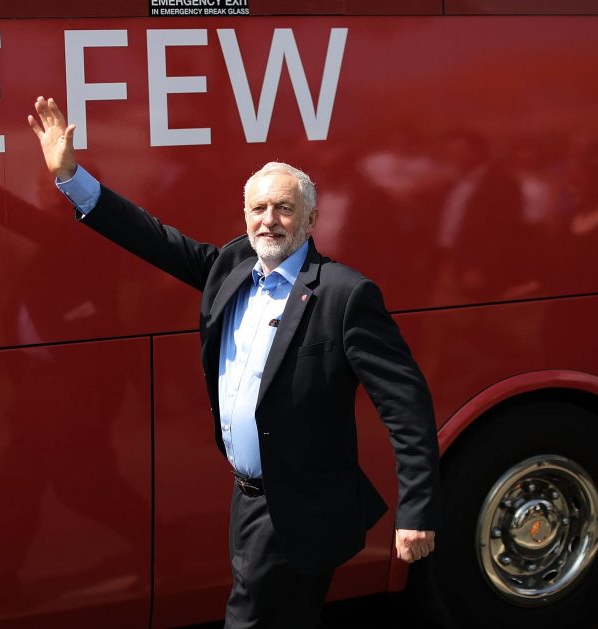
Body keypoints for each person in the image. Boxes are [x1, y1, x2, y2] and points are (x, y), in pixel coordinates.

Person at [28, 96, 440, 628]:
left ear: (312, 219)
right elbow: (152, 238)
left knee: (249, 620)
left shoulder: (344, 294)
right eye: (259, 209)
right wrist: (72, 178)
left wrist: (417, 512)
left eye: (285, 209)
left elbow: (406, 406)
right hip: (248, 502)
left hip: (299, 506)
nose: (270, 220)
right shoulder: (232, 267)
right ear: (245, 216)